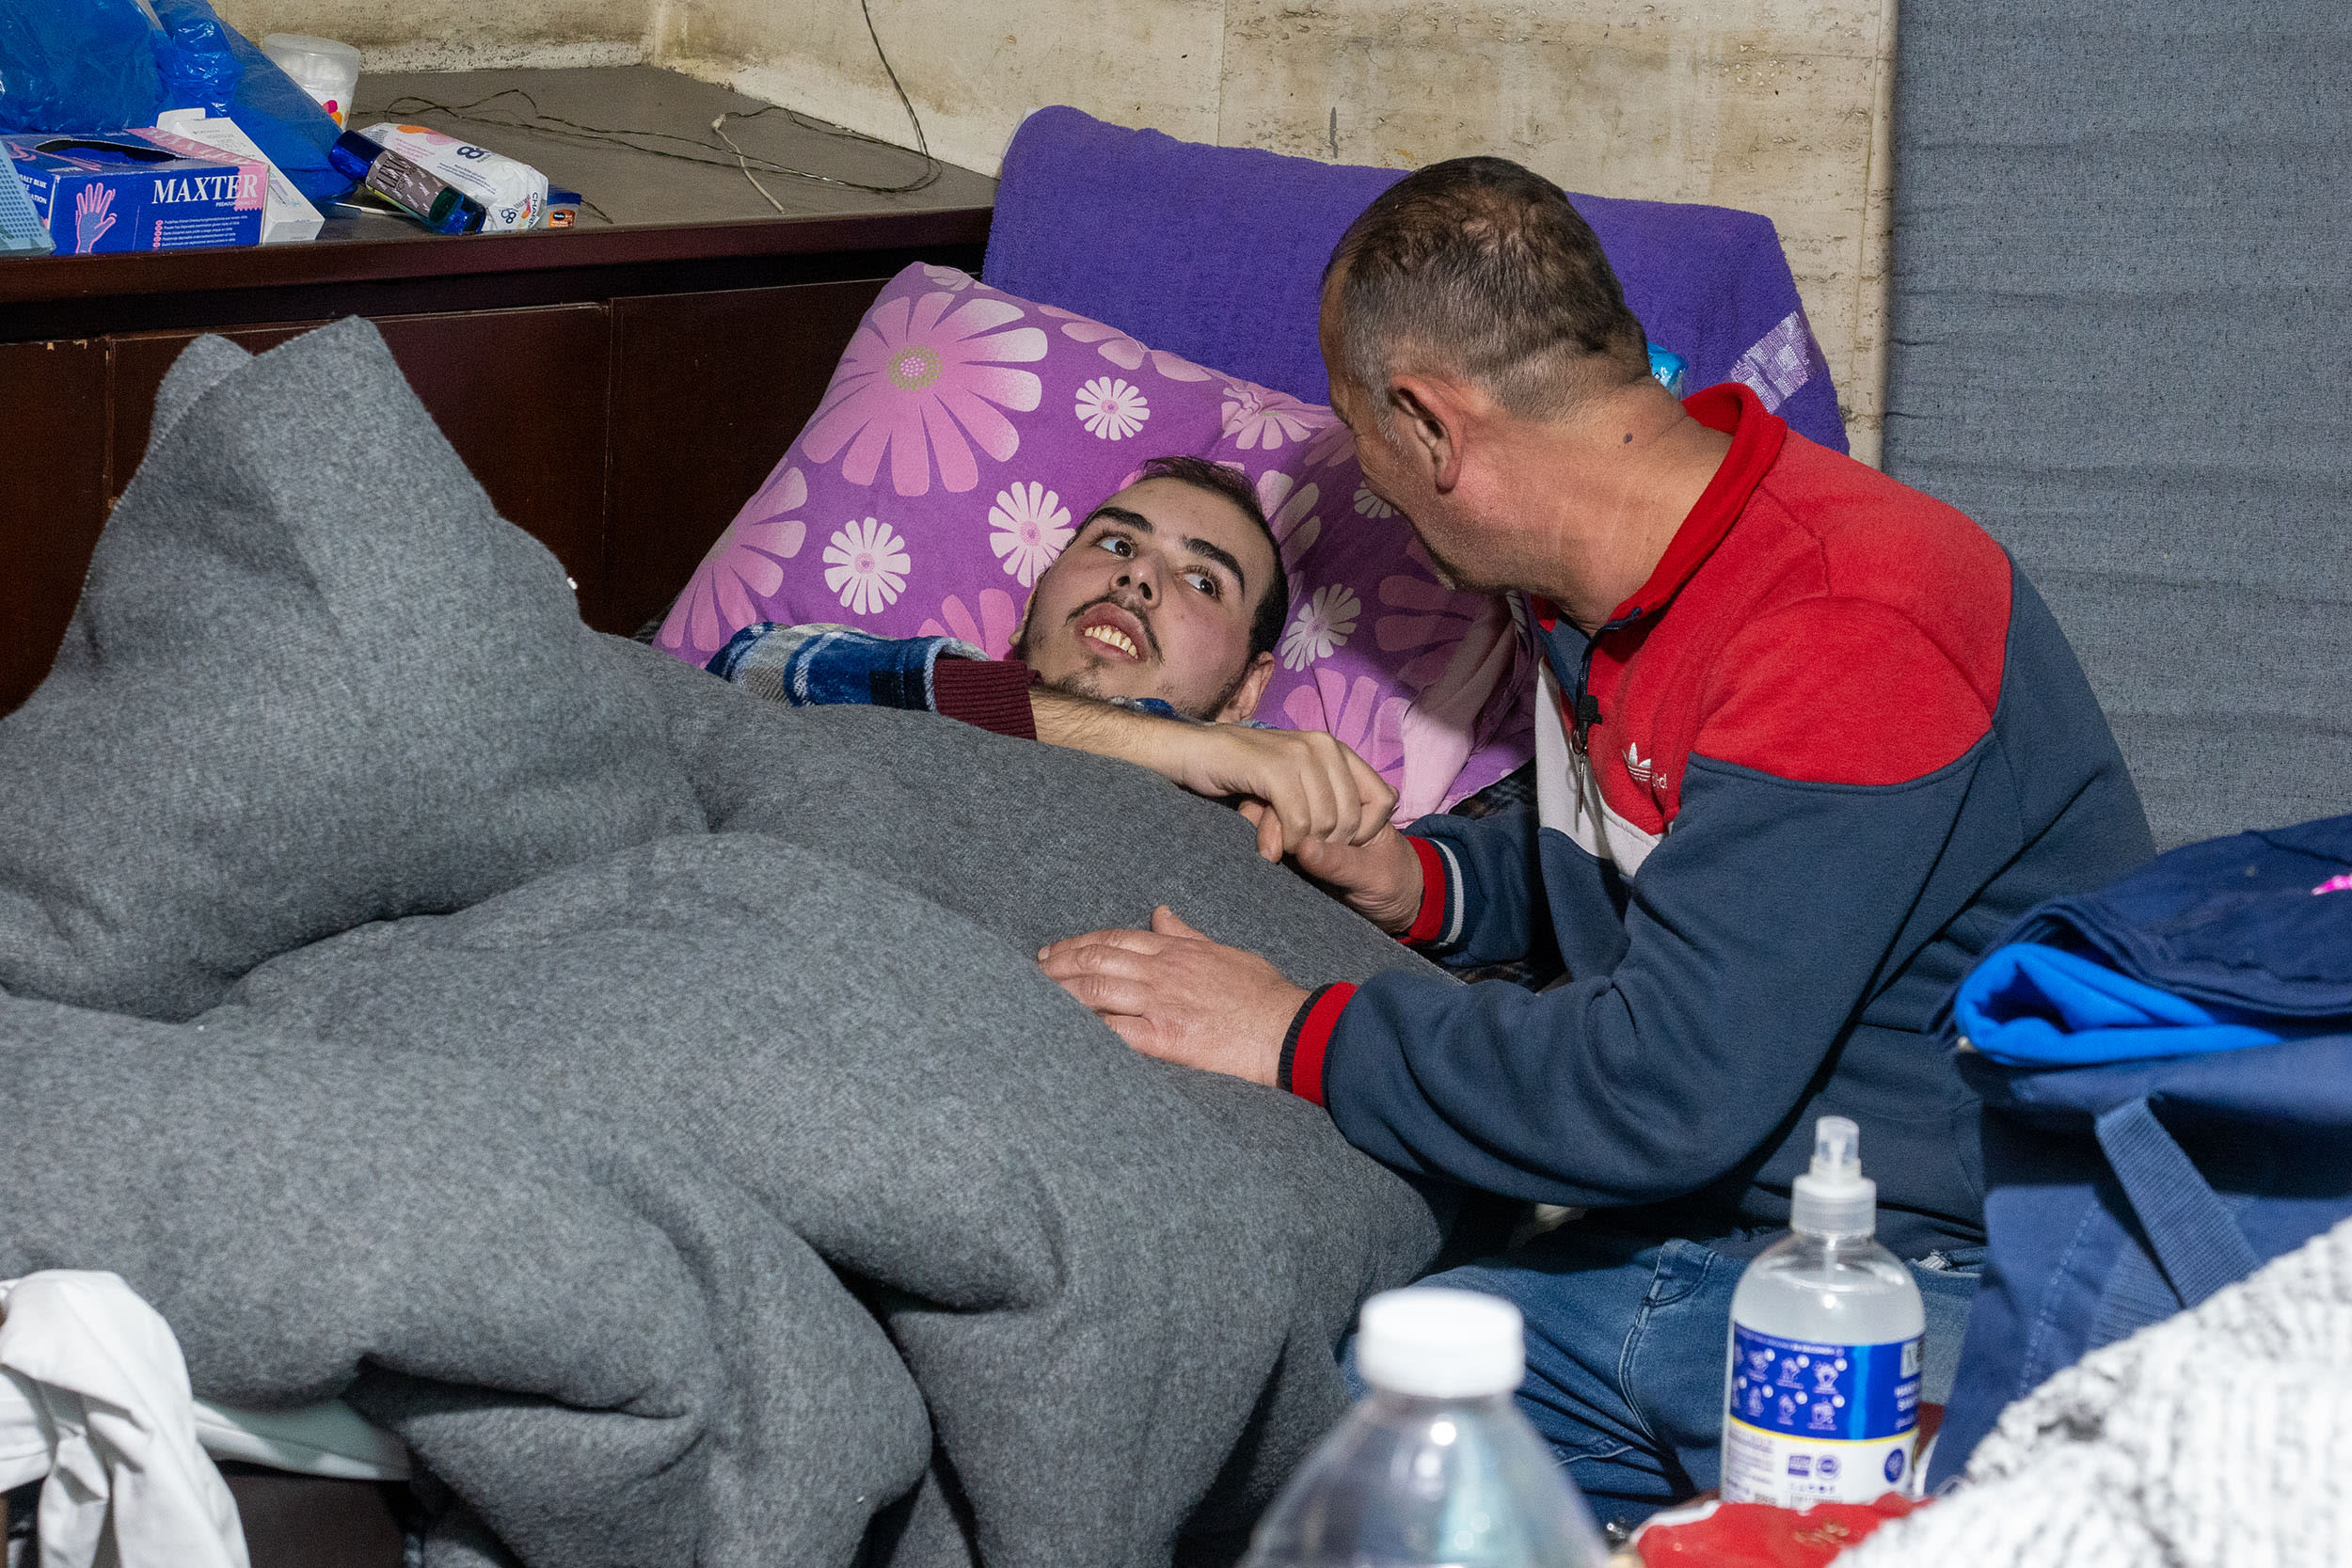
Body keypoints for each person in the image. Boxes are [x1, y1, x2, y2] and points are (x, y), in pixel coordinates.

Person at [1037, 158, 2156, 1523]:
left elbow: (1664, 1086)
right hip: (1682, 1263)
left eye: (1365, 441)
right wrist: (1426, 878)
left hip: (1916, 1277)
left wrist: (1292, 1030)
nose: (1376, 497)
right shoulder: (1598, 579)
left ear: (1430, 426)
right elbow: (1657, 859)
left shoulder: (1855, 615)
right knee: (1338, 1434)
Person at [707, 453, 1395, 863]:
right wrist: (1174, 745)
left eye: (1202, 580)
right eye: (1118, 545)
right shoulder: (894, 679)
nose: (1138, 578)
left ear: (1250, 687)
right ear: (1037, 592)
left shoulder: (1272, 779)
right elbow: (745, 666)